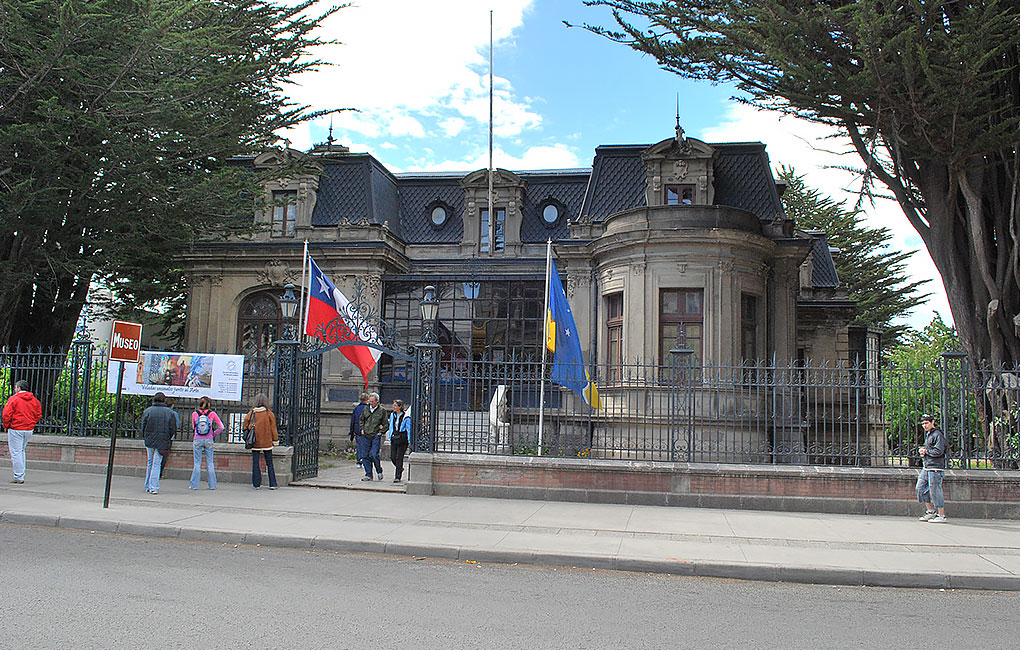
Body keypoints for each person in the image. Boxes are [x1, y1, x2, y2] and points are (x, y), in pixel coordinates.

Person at [2, 380, 42, 484]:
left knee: (16, 452)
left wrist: (6, 426)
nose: (15, 389)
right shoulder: (34, 400)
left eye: (15, 387)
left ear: (18, 388)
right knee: (21, 451)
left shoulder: (14, 399)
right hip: (28, 429)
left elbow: (6, 414)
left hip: (16, 428)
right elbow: (38, 414)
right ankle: (21, 474)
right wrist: (32, 423)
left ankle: (19, 476)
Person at [140, 392, 176, 494]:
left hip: (149, 440)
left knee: (150, 462)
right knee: (157, 463)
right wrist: (167, 438)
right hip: (163, 441)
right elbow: (173, 428)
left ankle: (147, 485)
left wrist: (145, 437)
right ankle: (154, 487)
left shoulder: (148, 411)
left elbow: (143, 426)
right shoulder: (169, 413)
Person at [917, 413, 949, 523]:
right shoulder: (929, 435)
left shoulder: (938, 435)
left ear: (933, 422)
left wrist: (926, 451)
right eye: (923, 424)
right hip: (927, 467)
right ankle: (930, 511)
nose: (924, 426)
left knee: (935, 491)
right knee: (920, 488)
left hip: (935, 468)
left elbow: (939, 451)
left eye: (926, 423)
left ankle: (941, 515)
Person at [243, 393, 279, 489]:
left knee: (255, 463)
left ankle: (256, 484)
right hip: (267, 441)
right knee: (269, 463)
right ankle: (272, 484)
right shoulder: (269, 414)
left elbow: (245, 427)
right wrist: (275, 440)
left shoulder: (251, 413)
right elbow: (273, 429)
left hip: (254, 441)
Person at [189, 396, 223, 490]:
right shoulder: (212, 414)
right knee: (210, 462)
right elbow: (221, 427)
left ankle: (194, 485)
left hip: (197, 439)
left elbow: (193, 427)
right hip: (209, 440)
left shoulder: (194, 414)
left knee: (197, 463)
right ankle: (212, 485)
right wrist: (213, 434)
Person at [358, 392, 387, 481]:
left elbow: (386, 424)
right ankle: (368, 474)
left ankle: (379, 470)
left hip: (375, 435)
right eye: (370, 401)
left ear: (377, 401)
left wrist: (381, 431)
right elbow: (361, 420)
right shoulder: (366, 409)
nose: (371, 403)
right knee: (365, 455)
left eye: (373, 401)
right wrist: (362, 429)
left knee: (374, 454)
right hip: (366, 434)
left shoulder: (382, 411)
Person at [387, 399, 412, 484]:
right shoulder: (392, 415)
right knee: (393, 457)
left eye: (395, 405)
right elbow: (391, 426)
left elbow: (408, 428)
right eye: (393, 405)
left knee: (399, 457)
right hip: (394, 437)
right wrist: (390, 436)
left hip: (402, 437)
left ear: (400, 407)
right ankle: (400, 468)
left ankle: (397, 476)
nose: (394, 407)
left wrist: (409, 439)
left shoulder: (405, 416)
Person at [159, 397, 179, 479]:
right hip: (168, 437)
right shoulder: (173, 413)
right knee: (164, 455)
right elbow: (176, 425)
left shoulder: (160, 412)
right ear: (172, 405)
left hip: (159, 435)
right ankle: (160, 472)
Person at [350, 392, 369, 467]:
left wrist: (351, 432)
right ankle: (364, 459)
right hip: (366, 430)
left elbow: (353, 421)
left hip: (357, 429)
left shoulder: (356, 408)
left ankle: (359, 461)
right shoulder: (368, 409)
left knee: (359, 446)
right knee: (366, 446)